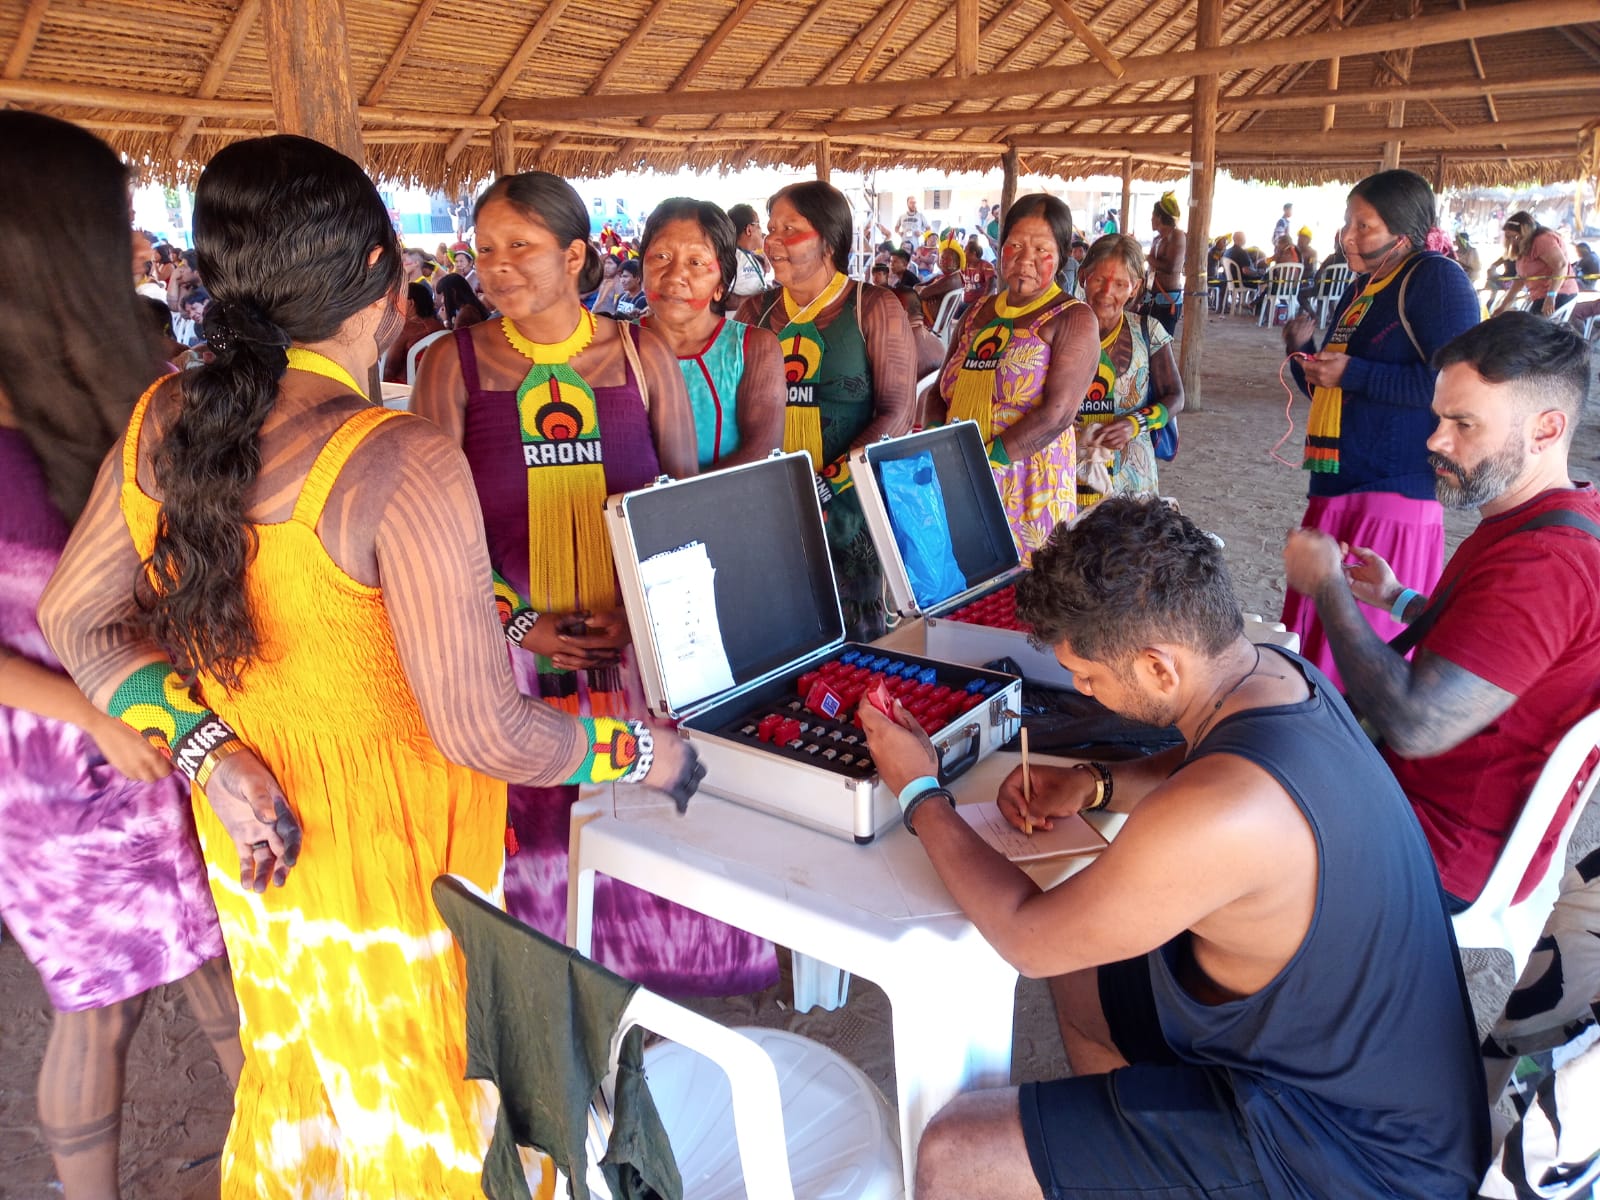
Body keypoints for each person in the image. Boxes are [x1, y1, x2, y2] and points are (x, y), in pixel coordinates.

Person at [41, 134, 705, 1196]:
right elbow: (486, 732)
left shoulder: (168, 418)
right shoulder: (395, 459)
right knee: (427, 1129)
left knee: (310, 1099)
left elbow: (78, 621)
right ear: (381, 279)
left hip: (264, 851)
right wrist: (643, 753)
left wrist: (211, 756)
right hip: (404, 881)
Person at [860, 496, 1489, 1200]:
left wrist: (921, 792)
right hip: (1358, 1086)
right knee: (1087, 967)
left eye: (1089, 676)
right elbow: (1199, 762)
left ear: (1160, 669)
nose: (1081, 688)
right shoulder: (1283, 675)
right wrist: (1095, 783)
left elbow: (1027, 940)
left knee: (955, 1152)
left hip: (1358, 1162)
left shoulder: (1222, 812)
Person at [412, 171, 771, 997]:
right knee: (536, 839)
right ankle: (551, 1004)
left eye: (521, 246)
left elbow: (682, 506)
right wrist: (516, 622)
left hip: (633, 654)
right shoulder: (451, 367)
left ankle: (650, 1004)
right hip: (511, 664)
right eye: (485, 249)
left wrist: (641, 615)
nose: (498, 266)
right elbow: (433, 530)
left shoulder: (641, 355)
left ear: (575, 255)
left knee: (645, 827)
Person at [0, 110, 240, 1200]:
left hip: (169, 729)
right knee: (99, 1005)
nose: (136, 239)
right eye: (118, 222)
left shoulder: (123, 384)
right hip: (62, 766)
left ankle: (289, 1165)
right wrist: (97, 713)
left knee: (220, 968)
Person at [1282, 312, 1599, 911]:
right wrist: (1399, 599)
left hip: (1439, 846)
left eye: (1464, 424)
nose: (1435, 440)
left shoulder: (1546, 563)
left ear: (1546, 429)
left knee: (1227, 789)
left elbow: (1414, 724)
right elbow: (1499, 645)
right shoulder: (1557, 515)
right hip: (1424, 804)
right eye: (1439, 418)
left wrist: (1327, 588)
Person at [1280, 168, 1481, 689]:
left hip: (1393, 490)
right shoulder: (1364, 286)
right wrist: (1305, 356)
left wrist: (1354, 373)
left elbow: (1456, 386)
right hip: (1339, 484)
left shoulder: (1437, 279)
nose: (1347, 237)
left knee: (1359, 652)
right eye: (1347, 223)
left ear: (1405, 233)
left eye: (1363, 226)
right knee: (1318, 644)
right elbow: (1337, 392)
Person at [735, 179, 916, 640]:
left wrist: (825, 484)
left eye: (789, 229)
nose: (772, 241)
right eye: (771, 229)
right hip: (773, 504)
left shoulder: (871, 307)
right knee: (780, 631)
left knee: (857, 637)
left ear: (830, 241)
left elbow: (897, 411)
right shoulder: (756, 311)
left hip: (849, 501)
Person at [927, 193, 1099, 561]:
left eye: (1041, 249)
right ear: (1000, 247)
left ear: (1062, 256)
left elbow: (1057, 414)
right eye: (1016, 245)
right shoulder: (977, 312)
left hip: (1026, 485)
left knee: (1022, 585)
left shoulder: (1073, 318)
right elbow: (938, 392)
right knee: (963, 577)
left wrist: (984, 462)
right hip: (957, 478)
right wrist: (933, 447)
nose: (1025, 260)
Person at [637, 197, 785, 470]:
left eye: (696, 262)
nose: (674, 275)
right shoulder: (615, 345)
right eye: (661, 256)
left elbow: (762, 454)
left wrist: (678, 494)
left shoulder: (752, 348)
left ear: (721, 286)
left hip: (728, 498)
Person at [1073, 235, 1183, 511]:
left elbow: (1175, 396)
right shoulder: (1060, 329)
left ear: (1135, 288)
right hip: (1069, 468)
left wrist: (1134, 424)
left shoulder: (1148, 331)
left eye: (1120, 284)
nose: (1107, 291)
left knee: (1129, 537)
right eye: (1099, 279)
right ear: (1084, 277)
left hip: (1133, 475)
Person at [1492, 211, 1578, 316]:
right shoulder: (1524, 247)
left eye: (1515, 237)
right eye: (1508, 237)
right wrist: (1503, 306)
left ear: (1525, 233)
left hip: (1559, 294)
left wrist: (1551, 296)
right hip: (1540, 297)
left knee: (1530, 326)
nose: (1512, 241)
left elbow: (1561, 265)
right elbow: (1520, 280)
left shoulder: (1542, 240)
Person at [382, 280, 445, 384]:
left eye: (397, 301)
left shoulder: (404, 329)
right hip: (437, 384)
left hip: (407, 388)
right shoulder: (440, 327)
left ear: (410, 303)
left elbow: (388, 372)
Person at [1145, 192, 1186, 335]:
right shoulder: (1157, 239)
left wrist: (1145, 257)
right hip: (1151, 298)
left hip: (1167, 299)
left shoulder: (1177, 236)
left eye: (1153, 216)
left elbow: (1171, 267)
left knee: (1162, 343)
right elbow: (1152, 267)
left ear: (1159, 218)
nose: (1151, 219)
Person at [725, 202, 773, 298]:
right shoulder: (732, 260)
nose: (762, 232)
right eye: (758, 225)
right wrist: (752, 302)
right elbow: (724, 297)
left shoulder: (754, 257)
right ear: (749, 230)